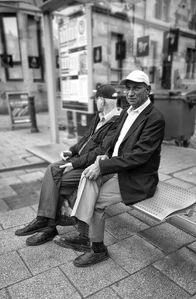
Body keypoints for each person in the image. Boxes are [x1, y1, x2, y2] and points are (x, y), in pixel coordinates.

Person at [55, 70, 165, 267]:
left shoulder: (154, 118)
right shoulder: (127, 111)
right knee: (87, 178)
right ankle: (84, 234)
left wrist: (103, 166)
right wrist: (105, 155)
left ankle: (97, 249)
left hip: (136, 176)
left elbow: (139, 156)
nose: (130, 93)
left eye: (137, 88)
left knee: (96, 201)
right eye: (128, 88)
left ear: (147, 90)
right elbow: (115, 141)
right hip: (116, 169)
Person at [15, 84, 122, 246]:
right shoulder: (99, 117)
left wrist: (74, 163)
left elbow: (101, 151)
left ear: (102, 100)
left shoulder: (116, 122)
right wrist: (71, 152)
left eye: (96, 100)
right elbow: (85, 138)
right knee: (52, 169)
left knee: (56, 183)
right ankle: (45, 222)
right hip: (80, 160)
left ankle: (47, 224)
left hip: (94, 166)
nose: (95, 103)